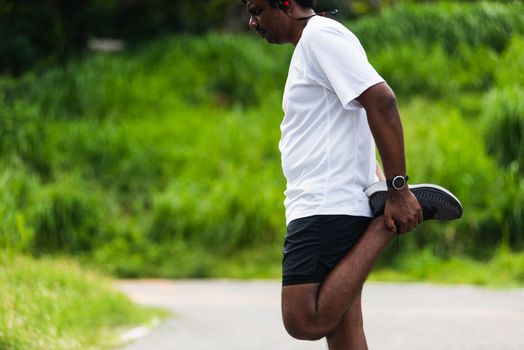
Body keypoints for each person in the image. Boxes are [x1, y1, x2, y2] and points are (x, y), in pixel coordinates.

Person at [242, 0, 462, 348]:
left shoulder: (320, 37)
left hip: (325, 208)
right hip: (331, 203)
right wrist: (375, 177)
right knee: (345, 334)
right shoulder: (315, 44)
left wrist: (398, 190)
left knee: (304, 319)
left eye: (257, 10)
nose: (252, 22)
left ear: (285, 3)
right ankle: (381, 220)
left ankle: (383, 228)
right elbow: (349, 121)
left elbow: (382, 101)